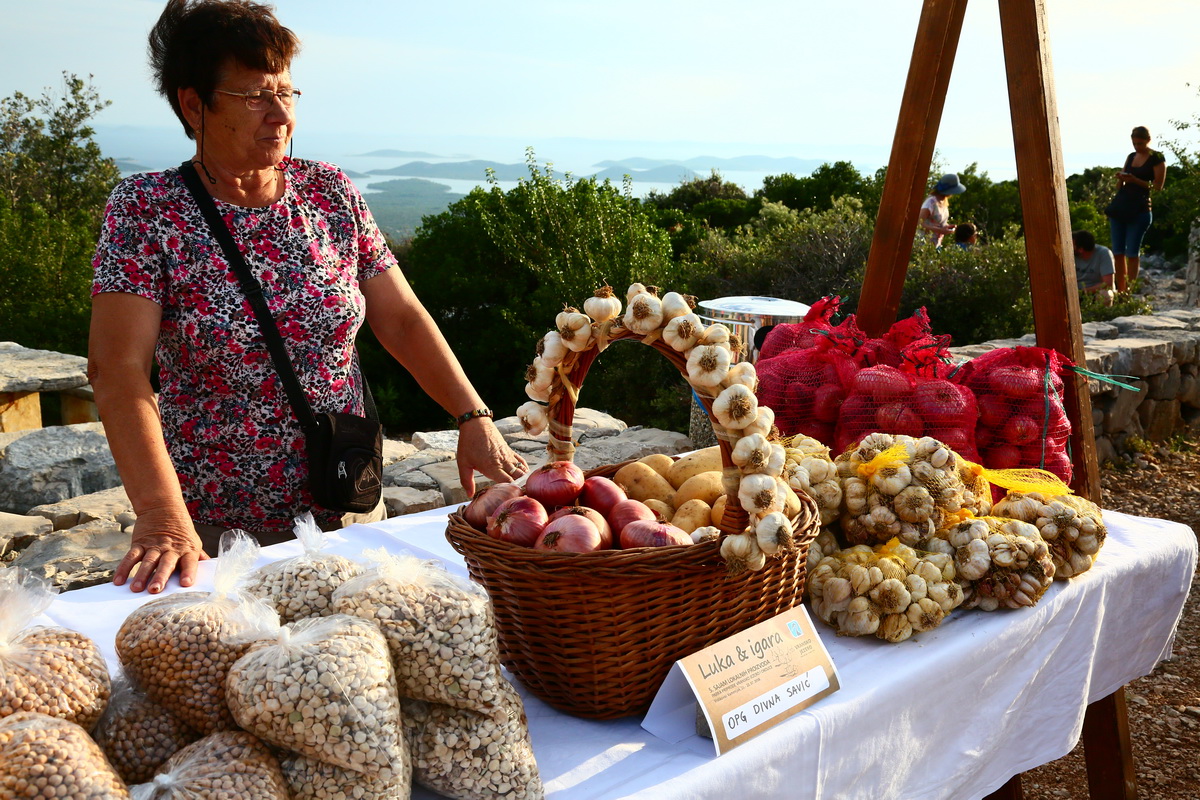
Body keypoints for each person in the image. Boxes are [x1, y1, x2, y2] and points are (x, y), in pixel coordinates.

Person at [88, 0, 528, 594]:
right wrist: (163, 516)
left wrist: (472, 416)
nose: (280, 114)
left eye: (286, 93)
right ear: (194, 105)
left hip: (347, 500)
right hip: (220, 533)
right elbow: (117, 370)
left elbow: (400, 317)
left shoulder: (328, 191)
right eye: (255, 96)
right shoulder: (147, 210)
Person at [1109, 126, 1166, 293]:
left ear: (1148, 140)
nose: (1137, 147)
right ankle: (1121, 290)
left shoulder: (1157, 158)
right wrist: (1121, 179)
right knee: (1118, 252)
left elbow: (1157, 186)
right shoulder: (1131, 156)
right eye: (1134, 144)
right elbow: (1120, 184)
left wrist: (1135, 180)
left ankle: (1129, 291)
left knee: (1132, 253)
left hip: (1140, 209)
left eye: (1140, 144)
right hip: (1122, 207)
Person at [917, 173, 966, 247]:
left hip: (935, 245)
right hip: (923, 245)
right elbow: (918, 223)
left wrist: (947, 227)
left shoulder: (943, 201)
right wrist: (939, 230)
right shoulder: (931, 202)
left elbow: (937, 222)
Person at [1071, 230, 1116, 306]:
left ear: (1081, 249)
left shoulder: (1104, 253)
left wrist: (1083, 292)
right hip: (1074, 293)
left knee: (1105, 295)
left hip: (1095, 292)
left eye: (1073, 245)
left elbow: (1107, 284)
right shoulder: (1070, 255)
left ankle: (1101, 312)